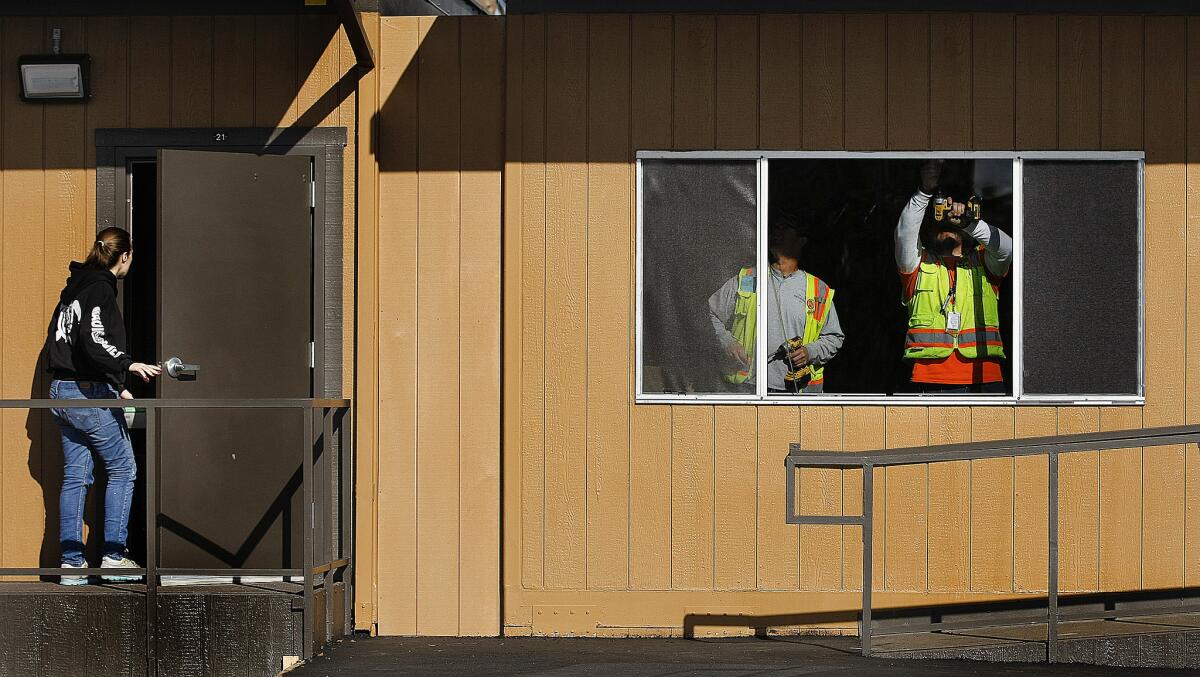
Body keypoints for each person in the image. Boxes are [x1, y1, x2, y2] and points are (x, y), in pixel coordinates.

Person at [44, 227, 161, 584]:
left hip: (62, 392)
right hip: (85, 394)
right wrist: (127, 365)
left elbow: (73, 345)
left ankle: (72, 564)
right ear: (124, 256)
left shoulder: (76, 288)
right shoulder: (100, 289)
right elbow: (94, 339)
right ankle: (113, 556)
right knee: (123, 468)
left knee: (76, 476)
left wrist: (114, 386)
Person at [895, 160, 1012, 393]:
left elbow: (1007, 248)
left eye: (954, 224)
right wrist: (924, 192)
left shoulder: (982, 260)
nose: (948, 224)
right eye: (941, 222)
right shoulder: (918, 263)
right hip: (931, 377)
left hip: (984, 375)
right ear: (929, 231)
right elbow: (904, 234)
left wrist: (970, 223)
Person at [708, 220, 844, 394]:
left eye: (786, 228)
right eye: (776, 228)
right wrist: (728, 343)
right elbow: (710, 313)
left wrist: (809, 352)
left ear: (802, 240)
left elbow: (834, 337)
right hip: (748, 388)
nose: (777, 232)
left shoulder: (818, 290)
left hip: (797, 391)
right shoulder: (749, 279)